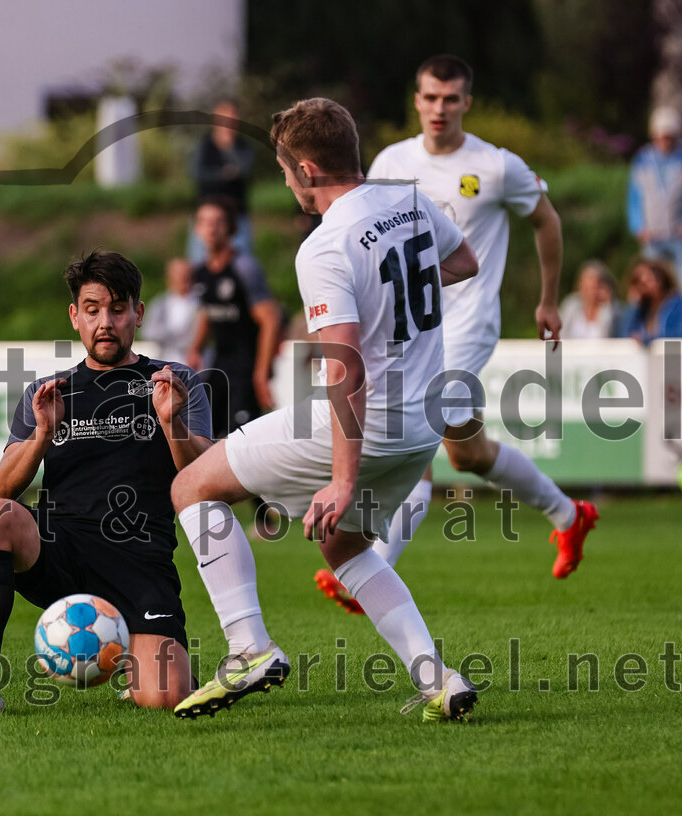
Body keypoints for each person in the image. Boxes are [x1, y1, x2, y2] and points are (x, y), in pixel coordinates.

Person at [170, 97, 482, 723]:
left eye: (286, 172)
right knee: (345, 549)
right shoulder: (411, 199)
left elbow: (344, 368)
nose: (287, 185)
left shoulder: (323, 246)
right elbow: (464, 262)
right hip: (422, 427)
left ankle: (248, 649)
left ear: (308, 169)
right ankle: (439, 680)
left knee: (190, 487)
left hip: (364, 423)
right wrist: (394, 292)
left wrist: (342, 480)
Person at [314, 55, 597, 607]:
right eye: (430, 97)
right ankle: (570, 513)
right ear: (416, 100)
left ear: (467, 101)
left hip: (468, 322)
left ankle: (365, 566)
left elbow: (547, 219)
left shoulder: (496, 166)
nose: (439, 108)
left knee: (419, 431)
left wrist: (546, 298)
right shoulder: (391, 160)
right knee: (466, 453)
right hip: (411, 324)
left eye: (450, 99)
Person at [0, 250, 214, 717]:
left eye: (118, 309)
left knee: (165, 698)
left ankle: (145, 661)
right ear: (75, 316)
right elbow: (3, 488)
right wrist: (41, 435)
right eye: (93, 309)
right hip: (63, 553)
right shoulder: (51, 392)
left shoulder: (174, 382)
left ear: (138, 312)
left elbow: (204, 479)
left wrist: (170, 423)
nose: (106, 323)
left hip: (140, 561)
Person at [186, 197, 279, 436]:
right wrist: (195, 348)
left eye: (218, 222)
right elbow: (209, 310)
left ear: (230, 228)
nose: (211, 228)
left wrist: (261, 371)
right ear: (197, 229)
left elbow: (270, 319)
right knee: (206, 433)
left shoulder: (244, 267)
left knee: (242, 439)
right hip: (219, 364)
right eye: (205, 222)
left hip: (246, 366)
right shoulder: (201, 272)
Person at [187, 100, 256, 263]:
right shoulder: (204, 146)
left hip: (237, 219)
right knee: (200, 265)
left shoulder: (243, 146)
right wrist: (225, 174)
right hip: (206, 217)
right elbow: (198, 175)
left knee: (240, 265)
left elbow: (244, 170)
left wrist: (228, 148)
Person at [627, 106, 682, 274]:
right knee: (653, 280)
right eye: (662, 136)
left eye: (670, 137)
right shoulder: (642, 160)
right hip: (652, 236)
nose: (665, 141)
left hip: (677, 234)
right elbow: (634, 198)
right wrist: (638, 227)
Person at [140, 257, 199, 364]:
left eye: (186, 275)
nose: (183, 279)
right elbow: (148, 331)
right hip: (167, 360)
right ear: (169, 278)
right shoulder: (159, 304)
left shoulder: (200, 303)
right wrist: (173, 336)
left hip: (196, 362)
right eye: (179, 275)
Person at [618, 256, 682, 344]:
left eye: (652, 275)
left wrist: (647, 340)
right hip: (647, 357)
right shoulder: (641, 310)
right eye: (639, 281)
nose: (649, 283)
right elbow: (625, 335)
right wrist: (634, 303)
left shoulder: (677, 304)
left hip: (672, 355)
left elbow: (676, 336)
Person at [560, 260, 620, 340]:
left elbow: (610, 334)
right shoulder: (571, 304)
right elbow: (559, 334)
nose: (593, 284)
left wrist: (608, 305)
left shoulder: (611, 308)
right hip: (572, 351)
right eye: (589, 279)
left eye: (597, 281)